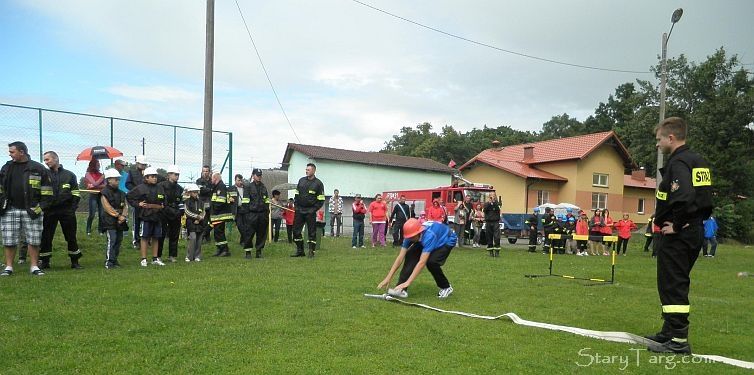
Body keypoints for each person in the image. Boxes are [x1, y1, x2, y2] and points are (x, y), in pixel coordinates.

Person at [644, 117, 713, 354]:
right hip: (694, 230)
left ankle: (679, 342)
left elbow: (683, 196)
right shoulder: (697, 160)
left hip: (680, 234)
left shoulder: (679, 162)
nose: (657, 144)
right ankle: (669, 332)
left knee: (673, 285)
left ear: (670, 138)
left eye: (659, 139)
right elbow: (702, 197)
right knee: (675, 282)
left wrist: (677, 224)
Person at [0, 141, 53, 276]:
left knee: (34, 239)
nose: (10, 154)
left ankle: (34, 266)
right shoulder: (6, 167)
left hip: (32, 210)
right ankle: (9, 267)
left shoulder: (38, 168)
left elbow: (47, 193)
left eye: (12, 152)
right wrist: (2, 205)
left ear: (21, 152)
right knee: (9, 239)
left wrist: (39, 208)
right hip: (9, 210)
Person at [378, 218, 457, 299]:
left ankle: (446, 287)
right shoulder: (410, 235)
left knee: (431, 262)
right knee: (410, 254)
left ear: (419, 233)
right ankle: (401, 290)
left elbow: (422, 262)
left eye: (412, 237)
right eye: (409, 237)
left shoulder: (429, 236)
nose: (410, 239)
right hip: (429, 237)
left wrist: (408, 282)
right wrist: (388, 277)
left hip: (447, 239)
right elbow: (400, 257)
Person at [38, 151, 82, 270]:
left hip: (66, 211)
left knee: (71, 236)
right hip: (49, 211)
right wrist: (43, 207)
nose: (45, 162)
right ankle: (45, 262)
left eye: (47, 159)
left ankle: (75, 261)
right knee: (46, 236)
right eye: (45, 160)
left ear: (56, 159)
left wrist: (72, 208)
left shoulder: (69, 175)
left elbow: (76, 193)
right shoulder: (44, 175)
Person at [127, 167, 165, 266]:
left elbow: (164, 199)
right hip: (146, 216)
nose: (155, 178)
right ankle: (143, 259)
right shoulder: (140, 188)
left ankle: (155, 258)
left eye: (155, 176)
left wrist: (163, 205)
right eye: (152, 176)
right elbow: (129, 197)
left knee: (156, 237)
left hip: (157, 215)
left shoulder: (160, 188)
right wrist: (138, 204)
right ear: (146, 178)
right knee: (145, 237)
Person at [291, 163, 325, 258]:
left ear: (314, 171)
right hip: (299, 210)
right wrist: (296, 206)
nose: (306, 171)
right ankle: (300, 250)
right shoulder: (301, 181)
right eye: (306, 169)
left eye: (308, 170)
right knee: (296, 231)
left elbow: (321, 199)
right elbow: (296, 195)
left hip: (310, 211)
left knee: (311, 232)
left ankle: (311, 251)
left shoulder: (318, 183)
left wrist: (313, 209)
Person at [100, 168, 128, 269]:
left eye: (118, 179)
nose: (117, 181)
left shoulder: (122, 193)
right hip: (109, 220)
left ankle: (115, 259)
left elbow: (125, 206)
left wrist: (124, 216)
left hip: (120, 220)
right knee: (112, 240)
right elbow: (107, 207)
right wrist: (118, 215)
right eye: (115, 179)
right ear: (109, 180)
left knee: (119, 240)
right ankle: (109, 262)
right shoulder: (104, 193)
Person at [157, 166, 184, 263]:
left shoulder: (180, 188)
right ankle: (158, 256)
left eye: (178, 175)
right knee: (161, 234)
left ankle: (172, 255)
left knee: (174, 234)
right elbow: (161, 201)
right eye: (175, 174)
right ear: (169, 175)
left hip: (176, 214)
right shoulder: (161, 186)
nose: (177, 176)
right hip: (163, 213)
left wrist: (180, 212)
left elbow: (182, 201)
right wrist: (169, 209)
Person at [242, 169, 269, 259]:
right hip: (251, 214)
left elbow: (267, 200)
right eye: (258, 175)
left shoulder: (263, 187)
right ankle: (248, 252)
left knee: (261, 233)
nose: (259, 177)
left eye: (260, 175)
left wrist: (266, 212)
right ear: (253, 175)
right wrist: (247, 215)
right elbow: (245, 202)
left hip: (262, 214)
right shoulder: (248, 187)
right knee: (249, 233)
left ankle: (259, 251)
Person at [209, 171, 234, 257]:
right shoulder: (217, 187)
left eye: (212, 178)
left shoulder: (221, 187)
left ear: (215, 178)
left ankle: (225, 250)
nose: (211, 180)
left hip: (220, 215)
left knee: (219, 233)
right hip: (217, 215)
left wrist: (214, 209)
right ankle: (220, 249)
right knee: (217, 233)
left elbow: (221, 201)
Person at [125, 155, 148, 246]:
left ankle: (146, 239)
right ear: (137, 163)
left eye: (144, 164)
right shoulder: (132, 172)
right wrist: (136, 190)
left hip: (146, 200)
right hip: (137, 200)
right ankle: (136, 240)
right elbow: (128, 184)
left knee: (146, 220)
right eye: (142, 164)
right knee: (137, 221)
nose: (143, 166)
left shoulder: (147, 173)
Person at [183, 184, 205, 262]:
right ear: (190, 193)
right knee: (193, 238)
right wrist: (196, 217)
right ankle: (189, 256)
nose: (196, 193)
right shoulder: (187, 202)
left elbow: (203, 212)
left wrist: (200, 218)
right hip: (190, 223)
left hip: (200, 223)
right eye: (194, 192)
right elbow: (187, 212)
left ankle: (197, 256)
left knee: (199, 240)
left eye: (197, 192)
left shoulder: (201, 202)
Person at [84, 159, 105, 235]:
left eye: (99, 163)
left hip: (101, 194)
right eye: (97, 163)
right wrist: (101, 179)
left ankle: (100, 230)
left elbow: (105, 185)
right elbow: (93, 184)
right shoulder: (88, 174)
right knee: (92, 214)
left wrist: (94, 185)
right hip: (93, 195)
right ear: (93, 165)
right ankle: (88, 229)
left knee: (101, 214)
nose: (99, 165)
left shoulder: (100, 174)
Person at [195, 165, 213, 242]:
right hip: (202, 203)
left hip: (211, 203)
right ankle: (206, 237)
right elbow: (201, 191)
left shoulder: (212, 181)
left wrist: (207, 189)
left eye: (207, 171)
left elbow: (213, 190)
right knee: (204, 221)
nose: (205, 173)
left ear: (209, 172)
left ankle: (205, 234)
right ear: (202, 172)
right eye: (204, 171)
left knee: (212, 220)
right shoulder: (199, 181)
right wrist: (210, 189)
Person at [230, 174, 248, 246]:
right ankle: (246, 240)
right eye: (238, 180)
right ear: (235, 180)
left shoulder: (246, 188)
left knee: (245, 226)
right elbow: (227, 197)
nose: (240, 182)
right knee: (240, 226)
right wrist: (229, 199)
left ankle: (242, 241)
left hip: (245, 209)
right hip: (236, 210)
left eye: (241, 180)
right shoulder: (231, 188)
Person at [483, 192, 501, 257]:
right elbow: (485, 210)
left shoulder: (498, 203)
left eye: (493, 195)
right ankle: (490, 252)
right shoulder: (486, 204)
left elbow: (498, 209)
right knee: (489, 237)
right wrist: (489, 203)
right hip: (488, 222)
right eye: (491, 196)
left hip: (495, 222)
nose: (492, 197)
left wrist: (493, 202)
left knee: (497, 237)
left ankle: (497, 252)